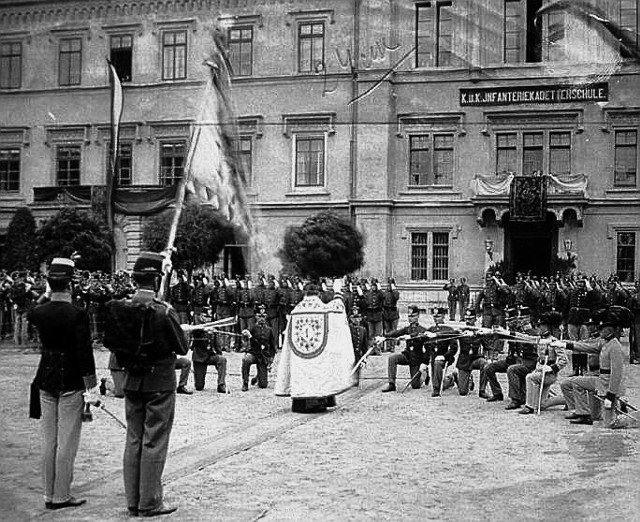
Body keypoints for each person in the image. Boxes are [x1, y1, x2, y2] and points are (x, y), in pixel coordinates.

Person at [103, 251, 189, 517]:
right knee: (154, 441)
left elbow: (111, 342)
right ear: (156, 281)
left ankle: (133, 500)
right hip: (159, 382)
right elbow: (182, 347)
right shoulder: (164, 312)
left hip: (131, 380)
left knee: (134, 439)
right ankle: (150, 502)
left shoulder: (119, 307)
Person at [28, 257, 98, 510]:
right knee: (67, 442)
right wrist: (91, 388)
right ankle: (61, 495)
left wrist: (46, 295)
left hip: (45, 379)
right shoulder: (78, 313)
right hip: (70, 380)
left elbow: (32, 311)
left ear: (50, 284)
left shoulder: (40, 311)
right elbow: (84, 352)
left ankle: (49, 493)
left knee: (49, 441)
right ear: (70, 285)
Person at [276, 278, 355, 412]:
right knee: (319, 371)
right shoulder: (325, 309)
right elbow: (338, 308)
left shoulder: (296, 311)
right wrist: (337, 292)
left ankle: (301, 403)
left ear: (304, 294)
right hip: (318, 352)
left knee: (302, 373)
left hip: (299, 354)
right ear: (319, 294)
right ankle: (320, 401)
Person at [554, 306, 633, 427]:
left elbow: (617, 375)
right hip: (601, 383)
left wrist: (611, 396)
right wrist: (564, 344)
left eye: (603, 328)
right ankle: (585, 414)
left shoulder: (615, 347)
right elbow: (586, 347)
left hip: (610, 387)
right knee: (594, 412)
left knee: (610, 423)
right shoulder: (605, 342)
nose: (599, 330)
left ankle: (628, 417)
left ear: (611, 330)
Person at [518, 311, 568, 414]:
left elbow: (564, 360)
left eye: (541, 326)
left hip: (549, 374)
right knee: (542, 405)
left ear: (547, 328)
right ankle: (567, 399)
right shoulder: (539, 339)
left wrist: (553, 368)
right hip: (539, 370)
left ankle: (529, 406)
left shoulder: (554, 341)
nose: (539, 328)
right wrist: (506, 333)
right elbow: (524, 338)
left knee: (529, 377)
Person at [378, 305, 431, 392]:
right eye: (409, 316)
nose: (410, 318)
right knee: (392, 358)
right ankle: (392, 384)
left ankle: (424, 374)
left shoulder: (423, 330)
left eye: (413, 316)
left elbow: (423, 342)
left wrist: (425, 363)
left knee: (415, 385)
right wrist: (384, 337)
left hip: (417, 359)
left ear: (418, 316)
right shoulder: (407, 329)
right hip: (407, 356)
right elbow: (396, 333)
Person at [241, 305, 277, 391]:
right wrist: (245, 334)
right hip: (253, 353)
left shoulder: (269, 330)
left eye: (263, 316)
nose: (261, 318)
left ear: (266, 317)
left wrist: (271, 359)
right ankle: (245, 383)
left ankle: (258, 377)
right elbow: (246, 339)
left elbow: (273, 346)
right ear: (256, 317)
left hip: (263, 356)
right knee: (246, 360)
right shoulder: (253, 327)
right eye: (259, 316)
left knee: (263, 385)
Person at [455, 310, 488, 396]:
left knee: (485, 364)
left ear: (475, 320)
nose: (468, 321)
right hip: (464, 361)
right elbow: (449, 335)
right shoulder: (461, 331)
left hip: (475, 359)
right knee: (463, 392)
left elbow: (488, 346)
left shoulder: (479, 331)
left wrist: (483, 334)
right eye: (466, 319)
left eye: (470, 319)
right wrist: (458, 333)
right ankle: (456, 377)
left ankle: (482, 390)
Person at [190, 327, 227, 393]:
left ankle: (221, 384)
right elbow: (193, 332)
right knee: (199, 387)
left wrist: (219, 357)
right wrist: (203, 329)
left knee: (222, 359)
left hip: (210, 356)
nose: (207, 319)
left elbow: (217, 346)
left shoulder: (213, 329)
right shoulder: (197, 329)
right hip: (199, 358)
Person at [349, 305, 369, 386]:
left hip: (358, 353)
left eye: (358, 318)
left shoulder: (363, 330)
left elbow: (365, 345)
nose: (357, 320)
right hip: (350, 352)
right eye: (355, 319)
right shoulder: (349, 329)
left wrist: (364, 357)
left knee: (358, 367)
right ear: (351, 319)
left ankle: (356, 381)